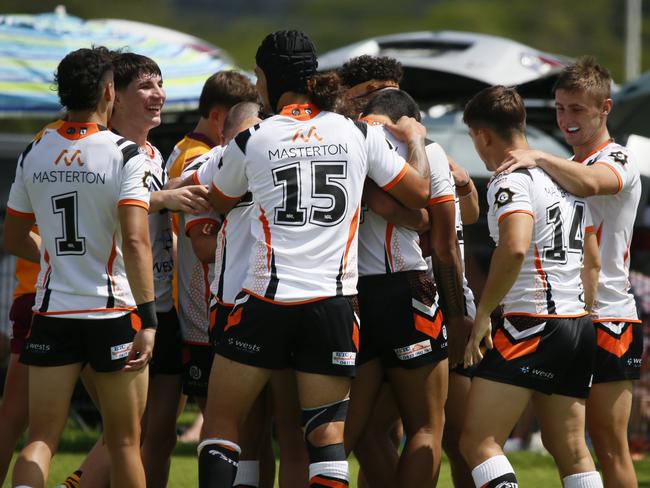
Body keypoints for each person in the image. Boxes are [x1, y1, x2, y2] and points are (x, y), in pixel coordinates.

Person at [197, 30, 431, 488]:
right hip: (334, 306)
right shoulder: (358, 132)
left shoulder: (254, 137)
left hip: (266, 300)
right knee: (325, 437)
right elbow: (421, 192)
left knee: (222, 423)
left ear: (264, 78)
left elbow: (220, 201)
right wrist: (416, 140)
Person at [4, 46, 157, 488]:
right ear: (109, 91)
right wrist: (147, 319)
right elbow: (134, 239)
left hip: (52, 312)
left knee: (41, 439)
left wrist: (54, 255)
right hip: (111, 314)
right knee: (125, 442)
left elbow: (13, 239)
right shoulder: (127, 154)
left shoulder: (35, 151)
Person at [496, 57, 642, 488]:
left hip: (610, 316)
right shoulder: (559, 162)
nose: (566, 119)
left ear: (605, 109)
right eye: (560, 108)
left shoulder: (618, 157)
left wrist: (537, 155)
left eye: (577, 109)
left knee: (608, 443)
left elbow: (593, 183)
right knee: (566, 444)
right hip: (565, 317)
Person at [460, 85, 602, 488]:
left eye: (474, 139)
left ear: (484, 135)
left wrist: (485, 312)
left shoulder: (510, 182)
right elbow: (592, 259)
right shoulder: (565, 179)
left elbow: (516, 246)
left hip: (532, 322)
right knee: (572, 448)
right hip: (577, 323)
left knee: (478, 441)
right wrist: (582, 312)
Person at [344, 89, 465, 487]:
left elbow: (381, 204)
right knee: (426, 427)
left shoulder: (343, 142)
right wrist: (459, 316)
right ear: (410, 117)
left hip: (350, 293)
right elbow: (445, 246)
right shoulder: (427, 151)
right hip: (407, 289)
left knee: (346, 431)